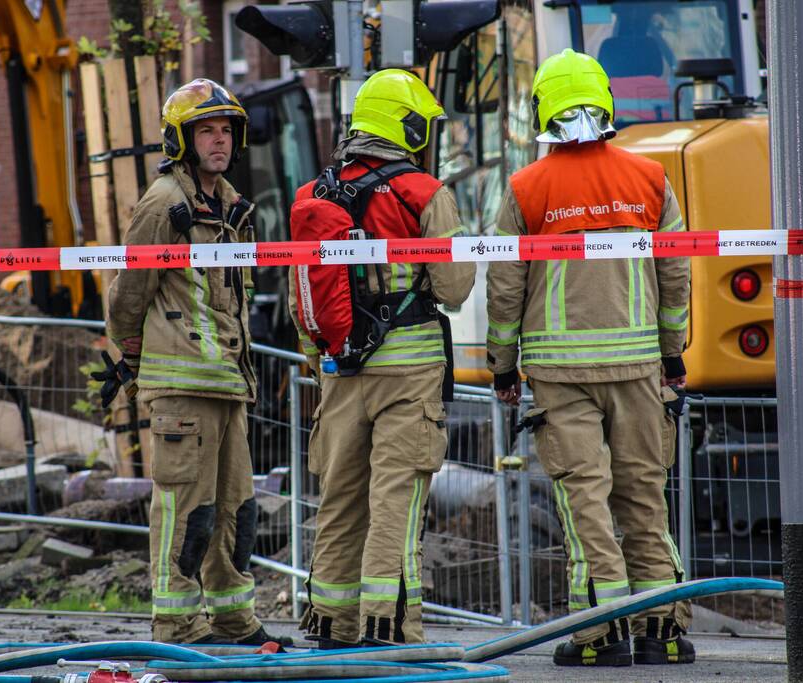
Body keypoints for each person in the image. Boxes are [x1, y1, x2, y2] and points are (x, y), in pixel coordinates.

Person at [486, 49, 693, 667]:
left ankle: (600, 637)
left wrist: (502, 364)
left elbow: (505, 286)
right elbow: (675, 271)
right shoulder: (650, 178)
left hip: (558, 375)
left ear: (542, 108)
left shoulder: (526, 186)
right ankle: (664, 633)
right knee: (643, 498)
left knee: (587, 505)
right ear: (606, 103)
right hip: (637, 370)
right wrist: (672, 356)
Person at [289, 69, 475, 648]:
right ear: (408, 126)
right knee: (396, 497)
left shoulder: (314, 194)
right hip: (408, 372)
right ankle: (386, 627)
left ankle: (331, 626)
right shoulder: (423, 193)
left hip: (340, 371)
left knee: (340, 498)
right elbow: (454, 288)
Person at [106, 78, 284, 647]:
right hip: (184, 386)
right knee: (184, 512)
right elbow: (128, 293)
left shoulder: (230, 205)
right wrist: (133, 357)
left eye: (226, 130)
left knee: (235, 511)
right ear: (180, 139)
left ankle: (233, 620)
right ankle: (176, 624)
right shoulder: (163, 205)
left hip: (227, 384)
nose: (218, 141)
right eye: (206, 130)